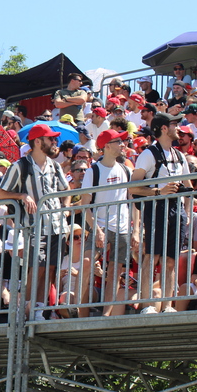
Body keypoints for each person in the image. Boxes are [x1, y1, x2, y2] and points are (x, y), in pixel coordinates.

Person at [0, 123, 70, 317]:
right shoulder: (20, 165)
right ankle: (25, 311)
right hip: (35, 226)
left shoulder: (54, 165)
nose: (55, 142)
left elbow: (66, 191)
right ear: (38, 142)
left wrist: (66, 209)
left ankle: (38, 309)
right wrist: (22, 196)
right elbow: (1, 193)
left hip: (57, 225)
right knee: (36, 269)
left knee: (51, 269)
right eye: (51, 139)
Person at [130, 113, 190, 312]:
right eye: (174, 124)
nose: (178, 128)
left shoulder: (179, 156)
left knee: (171, 260)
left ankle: (167, 306)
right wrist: (158, 191)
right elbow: (133, 187)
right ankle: (147, 305)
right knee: (152, 257)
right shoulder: (148, 154)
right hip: (156, 207)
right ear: (164, 128)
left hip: (176, 208)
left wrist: (187, 212)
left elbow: (189, 186)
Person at [80, 130, 132, 316]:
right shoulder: (93, 171)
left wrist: (135, 228)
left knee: (115, 271)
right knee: (87, 263)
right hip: (100, 224)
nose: (123, 144)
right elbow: (85, 205)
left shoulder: (126, 169)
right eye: (118, 141)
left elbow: (132, 201)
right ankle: (79, 313)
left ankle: (106, 316)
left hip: (122, 227)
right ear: (107, 146)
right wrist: (97, 230)